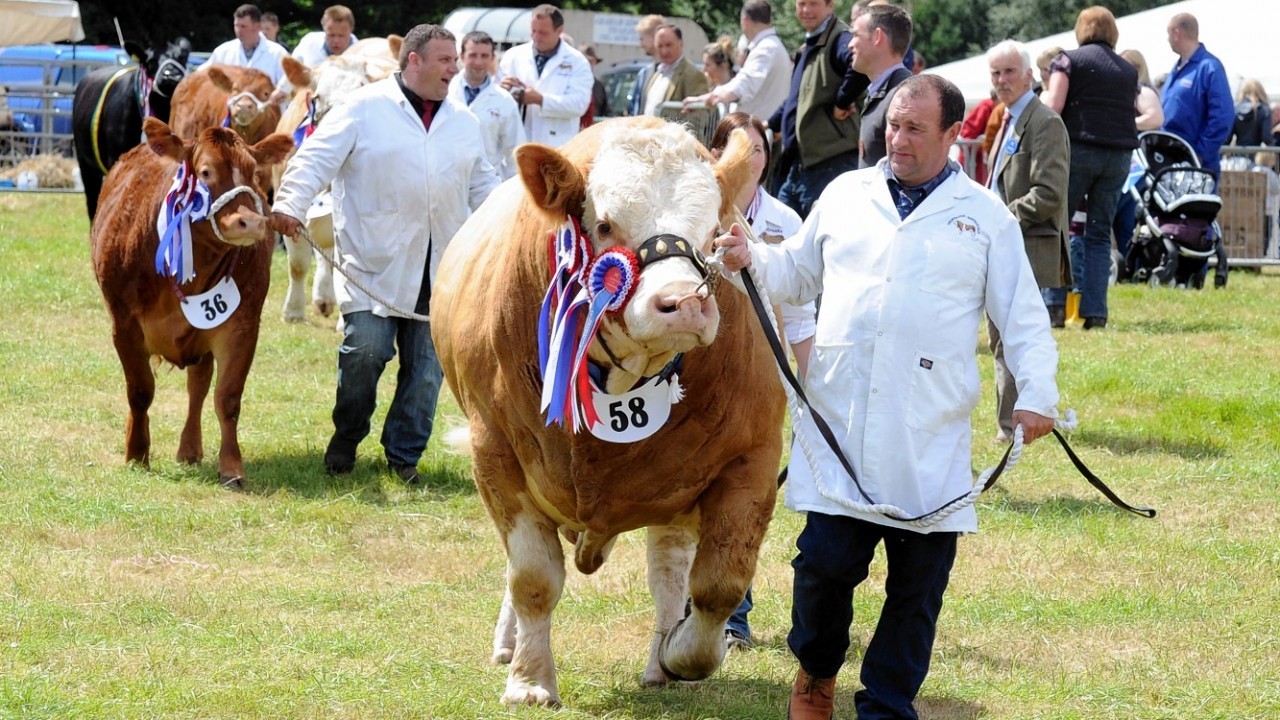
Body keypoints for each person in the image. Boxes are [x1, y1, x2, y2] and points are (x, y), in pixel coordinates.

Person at [714, 73, 1059, 720]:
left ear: (954, 135)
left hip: (927, 436)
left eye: (914, 130)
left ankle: (887, 707)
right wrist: (751, 255)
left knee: (916, 590)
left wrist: (1035, 394)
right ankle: (815, 672)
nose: (896, 140)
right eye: (892, 126)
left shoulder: (984, 217)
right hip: (841, 423)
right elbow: (795, 273)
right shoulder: (847, 194)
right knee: (820, 571)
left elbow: (1021, 317)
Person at [270, 24, 500, 485]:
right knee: (365, 354)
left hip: (442, 270)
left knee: (426, 372)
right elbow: (314, 159)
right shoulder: (362, 109)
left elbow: (485, 186)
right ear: (413, 61)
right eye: (445, 60)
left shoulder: (463, 122)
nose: (455, 69)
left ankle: (404, 457)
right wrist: (289, 203)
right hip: (373, 260)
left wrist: (510, 225)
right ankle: (347, 436)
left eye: (455, 60)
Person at [985, 40, 1071, 443]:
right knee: (1000, 339)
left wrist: (999, 220)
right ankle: (1014, 422)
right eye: (995, 73)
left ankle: (1015, 426)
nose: (1001, 81)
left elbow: (1049, 193)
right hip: (1006, 246)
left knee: (1017, 340)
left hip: (1027, 246)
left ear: (1030, 75)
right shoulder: (1007, 118)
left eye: (1008, 72)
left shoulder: (1044, 122)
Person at [1042, 6, 1138, 330]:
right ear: (1113, 32)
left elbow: (1054, 104)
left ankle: (1054, 306)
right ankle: (1095, 313)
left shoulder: (1067, 60)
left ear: (1080, 30)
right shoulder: (1128, 69)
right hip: (1119, 155)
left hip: (1079, 149)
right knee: (1099, 234)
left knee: (1059, 227)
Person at [769, 0, 869, 218]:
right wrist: (769, 124)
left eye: (813, 4)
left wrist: (841, 102)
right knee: (780, 236)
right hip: (800, 165)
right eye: (801, 3)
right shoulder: (809, 45)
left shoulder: (840, 39)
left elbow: (860, 66)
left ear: (830, 6)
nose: (806, 10)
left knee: (821, 244)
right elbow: (797, 99)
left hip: (830, 162)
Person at [1160, 11, 1233, 288]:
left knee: (1197, 219)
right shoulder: (1178, 68)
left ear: (1178, 33)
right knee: (1174, 218)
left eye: (1169, 33)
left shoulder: (1209, 68)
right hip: (1172, 164)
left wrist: (1200, 153)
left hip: (1198, 165)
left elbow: (1223, 116)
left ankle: (1195, 275)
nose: (1167, 39)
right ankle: (1175, 271)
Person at [496, 4, 594, 149]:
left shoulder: (577, 61)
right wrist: (502, 90)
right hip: (517, 143)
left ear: (559, 30)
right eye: (533, 31)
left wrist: (541, 100)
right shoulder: (513, 56)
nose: (536, 37)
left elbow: (578, 105)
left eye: (543, 33)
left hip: (558, 146)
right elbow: (494, 98)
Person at [683, 0, 791, 122]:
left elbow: (742, 87)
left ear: (745, 21)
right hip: (760, 130)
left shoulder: (766, 48)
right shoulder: (771, 46)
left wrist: (706, 98)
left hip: (757, 133)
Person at [450, 31, 524, 180]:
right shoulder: (445, 92)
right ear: (462, 56)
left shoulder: (504, 101)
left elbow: (514, 151)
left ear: (492, 58)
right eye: (473, 55)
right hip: (449, 178)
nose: (478, 62)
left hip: (486, 182)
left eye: (484, 56)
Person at [849, 2, 913, 168]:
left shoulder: (902, 97)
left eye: (856, 35)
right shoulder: (886, 91)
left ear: (878, 37)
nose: (850, 44)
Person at [202, 4, 290, 88]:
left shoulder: (278, 53)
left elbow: (288, 86)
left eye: (243, 26)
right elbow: (202, 76)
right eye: (236, 26)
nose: (238, 30)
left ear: (257, 27)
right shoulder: (222, 52)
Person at [638, 24, 708, 117]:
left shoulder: (692, 74)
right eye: (660, 46)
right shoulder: (657, 72)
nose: (664, 51)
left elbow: (700, 116)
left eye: (668, 45)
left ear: (681, 44)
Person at [291, 5, 358, 68]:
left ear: (351, 30)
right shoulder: (309, 44)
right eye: (331, 35)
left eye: (341, 36)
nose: (336, 40)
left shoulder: (361, 54)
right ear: (324, 29)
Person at [627, 14, 665, 116]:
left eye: (642, 39)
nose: (641, 44)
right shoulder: (644, 73)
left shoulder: (671, 71)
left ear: (654, 37)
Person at [1229, 79, 1272, 147]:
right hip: (1256, 154)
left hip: (1238, 154)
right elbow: (1267, 139)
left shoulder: (1235, 110)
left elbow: (1228, 137)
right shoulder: (1264, 110)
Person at [579, 44, 608, 120]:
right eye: (587, 61)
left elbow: (604, 111)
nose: (589, 64)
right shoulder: (571, 82)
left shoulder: (599, 86)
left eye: (592, 61)